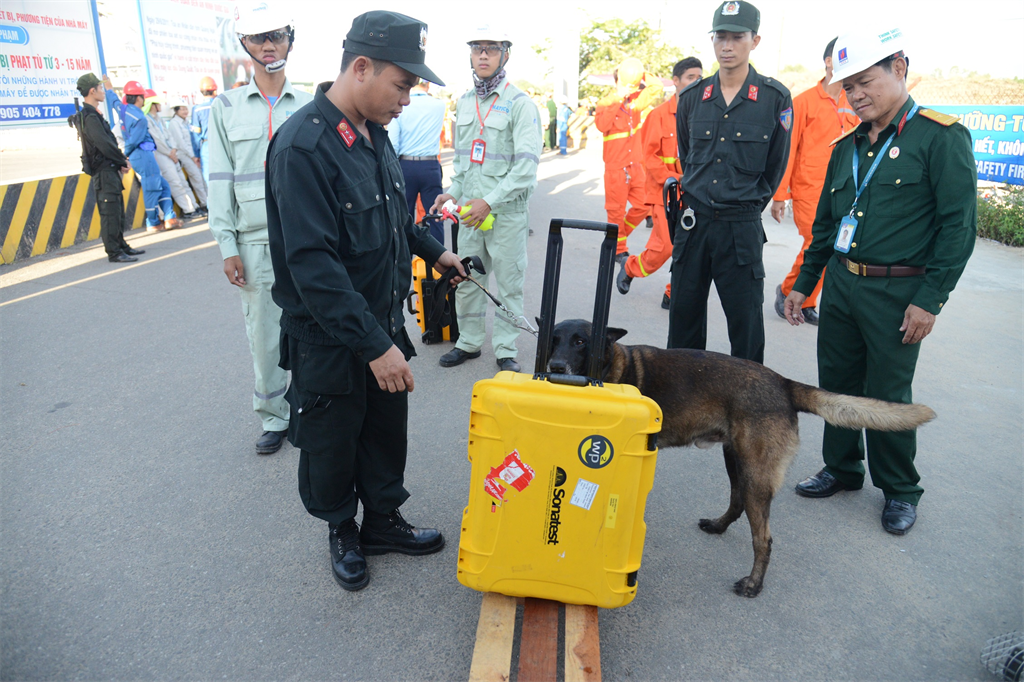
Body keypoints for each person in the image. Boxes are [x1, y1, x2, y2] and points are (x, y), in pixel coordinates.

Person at [266, 10, 467, 591]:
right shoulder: (303, 146)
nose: (407, 99)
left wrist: (435, 252)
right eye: (402, 84)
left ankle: (381, 522)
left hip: (378, 321)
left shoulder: (374, 134)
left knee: (384, 429)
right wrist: (375, 346)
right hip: (331, 337)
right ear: (361, 67)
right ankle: (343, 531)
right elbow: (313, 266)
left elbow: (395, 218)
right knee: (333, 442)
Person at [784, 27, 976, 535]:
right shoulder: (846, 145)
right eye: (848, 87)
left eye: (865, 81)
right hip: (844, 285)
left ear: (899, 68)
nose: (856, 94)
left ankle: (900, 489)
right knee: (838, 384)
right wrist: (804, 284)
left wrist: (930, 300)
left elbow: (958, 228)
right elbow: (826, 224)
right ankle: (842, 469)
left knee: (889, 393)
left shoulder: (940, 136)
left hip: (900, 293)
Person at [207, 0, 313, 456]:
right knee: (265, 336)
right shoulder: (226, 107)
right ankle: (274, 416)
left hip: (309, 239)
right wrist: (226, 244)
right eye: (258, 38)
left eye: (277, 36)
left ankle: (313, 409)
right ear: (244, 45)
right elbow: (219, 179)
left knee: (316, 329)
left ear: (291, 38)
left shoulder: (313, 102)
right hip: (254, 243)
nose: (269, 46)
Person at [668, 1, 791, 364]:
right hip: (693, 226)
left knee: (746, 325)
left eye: (737, 37)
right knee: (684, 324)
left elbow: (775, 167)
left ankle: (749, 413)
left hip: (741, 230)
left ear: (754, 40)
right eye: (720, 37)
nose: (727, 46)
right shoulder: (692, 98)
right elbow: (687, 154)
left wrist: (744, 202)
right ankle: (686, 408)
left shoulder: (774, 98)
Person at [431, 27, 542, 373]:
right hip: (471, 213)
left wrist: (489, 201)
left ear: (504, 54)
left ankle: (506, 349)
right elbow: (465, 165)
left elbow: (526, 168)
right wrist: (452, 191)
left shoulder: (520, 105)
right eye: (477, 48)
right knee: (466, 280)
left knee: (509, 284)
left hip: (504, 213)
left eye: (491, 49)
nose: (483, 55)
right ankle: (468, 342)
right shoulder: (464, 103)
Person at [770, 37, 860, 326]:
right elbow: (787, 150)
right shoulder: (803, 102)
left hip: (844, 189)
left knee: (833, 245)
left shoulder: (853, 102)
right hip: (809, 188)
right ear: (829, 62)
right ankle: (789, 292)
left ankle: (803, 299)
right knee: (816, 243)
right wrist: (780, 194)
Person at [617, 57, 703, 309]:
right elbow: (650, 158)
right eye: (690, 78)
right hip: (665, 194)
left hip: (696, 194)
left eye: (699, 78)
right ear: (675, 81)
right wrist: (677, 179)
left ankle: (672, 293)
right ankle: (630, 268)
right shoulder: (659, 115)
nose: (695, 83)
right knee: (664, 247)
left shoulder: (705, 114)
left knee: (690, 249)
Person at [595, 57, 663, 263]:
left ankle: (615, 237)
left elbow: (656, 87)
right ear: (617, 81)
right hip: (615, 167)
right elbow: (602, 125)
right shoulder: (605, 102)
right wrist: (618, 97)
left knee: (644, 206)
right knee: (615, 211)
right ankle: (619, 249)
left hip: (636, 166)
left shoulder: (636, 102)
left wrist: (640, 73)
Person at [74, 73, 146, 263]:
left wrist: (120, 160)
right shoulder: (89, 116)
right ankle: (114, 252)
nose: (103, 91)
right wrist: (122, 161)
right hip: (103, 171)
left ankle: (121, 245)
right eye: (100, 88)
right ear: (92, 91)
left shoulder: (94, 114)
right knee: (109, 212)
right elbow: (104, 144)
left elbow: (109, 142)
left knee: (116, 210)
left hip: (110, 168)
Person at [388, 79, 446, 244]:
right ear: (428, 85)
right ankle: (437, 262)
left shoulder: (401, 105)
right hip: (430, 165)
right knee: (435, 214)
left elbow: (394, 143)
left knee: (403, 217)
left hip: (406, 165)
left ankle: (404, 261)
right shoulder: (438, 105)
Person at [120, 81, 181, 233]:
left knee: (164, 186)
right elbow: (132, 141)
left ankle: (168, 217)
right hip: (141, 156)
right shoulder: (138, 118)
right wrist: (124, 156)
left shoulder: (126, 113)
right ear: (139, 98)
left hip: (144, 154)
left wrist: (108, 89)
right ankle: (153, 222)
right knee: (152, 188)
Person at [144, 91, 200, 218]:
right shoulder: (148, 120)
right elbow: (157, 140)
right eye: (157, 103)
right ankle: (188, 210)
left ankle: (194, 206)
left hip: (171, 154)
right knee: (175, 183)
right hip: (162, 155)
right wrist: (170, 152)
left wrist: (173, 150)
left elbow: (169, 136)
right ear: (152, 104)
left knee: (183, 182)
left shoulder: (159, 119)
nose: (160, 106)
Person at [167, 102, 209, 215]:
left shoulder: (187, 122)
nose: (185, 111)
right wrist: (193, 156)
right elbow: (181, 143)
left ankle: (206, 202)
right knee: (197, 179)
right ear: (176, 111)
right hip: (185, 155)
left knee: (202, 179)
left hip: (193, 155)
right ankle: (204, 204)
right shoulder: (174, 123)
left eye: (186, 109)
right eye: (182, 109)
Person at [190, 76, 218, 184]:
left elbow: (195, 135)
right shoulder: (221, 105)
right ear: (215, 90)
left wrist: (196, 154)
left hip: (207, 146)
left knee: (209, 180)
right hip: (223, 144)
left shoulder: (197, 109)